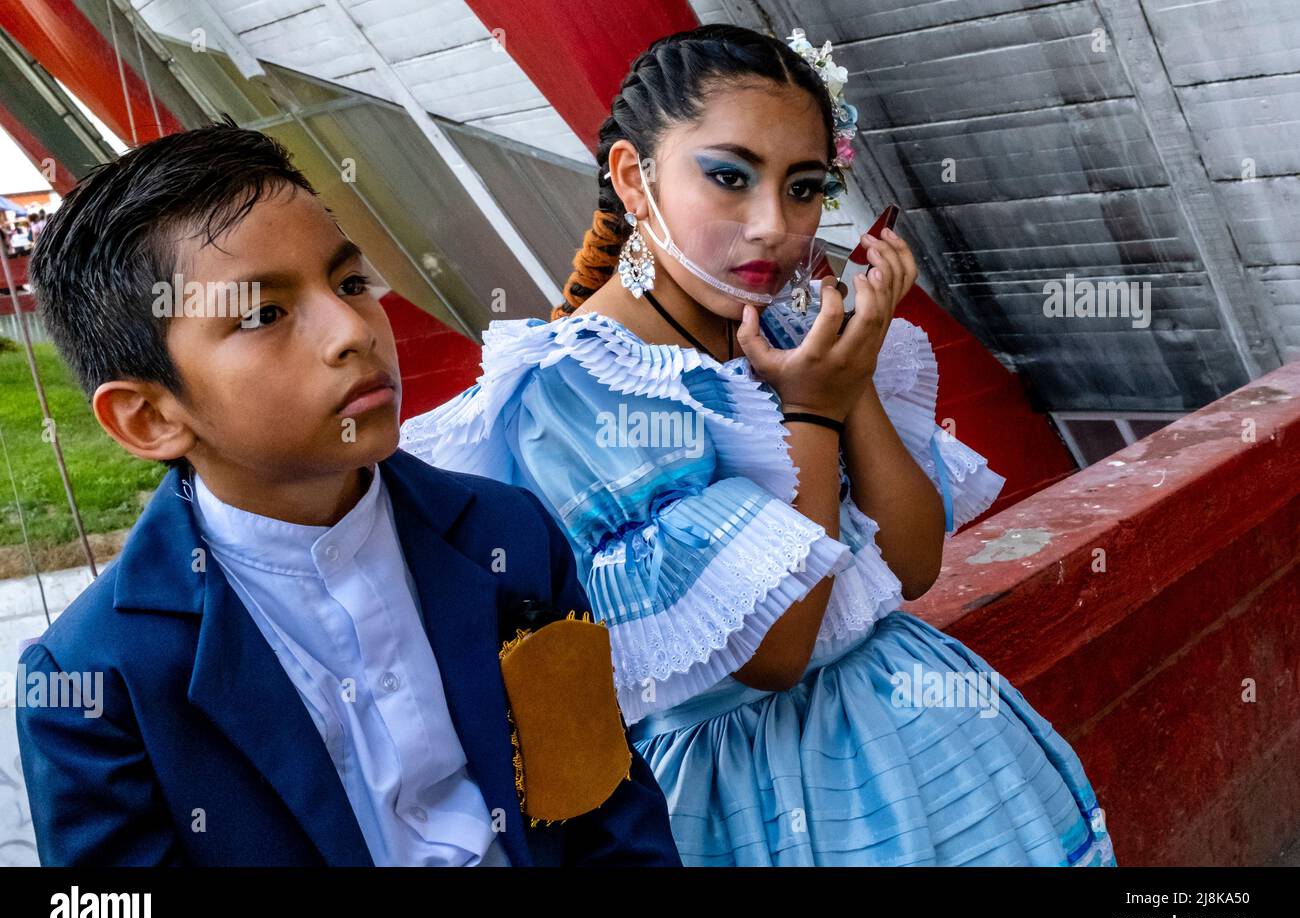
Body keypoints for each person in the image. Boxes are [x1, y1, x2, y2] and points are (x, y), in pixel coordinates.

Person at [401, 24, 1116, 866]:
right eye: (730, 178)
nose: (774, 226)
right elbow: (775, 651)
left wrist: (847, 380)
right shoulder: (574, 389)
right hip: (757, 795)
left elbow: (915, 562)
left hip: (935, 747)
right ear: (635, 179)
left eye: (805, 187)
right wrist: (811, 411)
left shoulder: (787, 326)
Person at [16, 118, 680, 867]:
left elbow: (606, 808)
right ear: (149, 416)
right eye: (264, 314)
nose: (353, 330)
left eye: (352, 282)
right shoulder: (98, 679)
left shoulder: (507, 535)